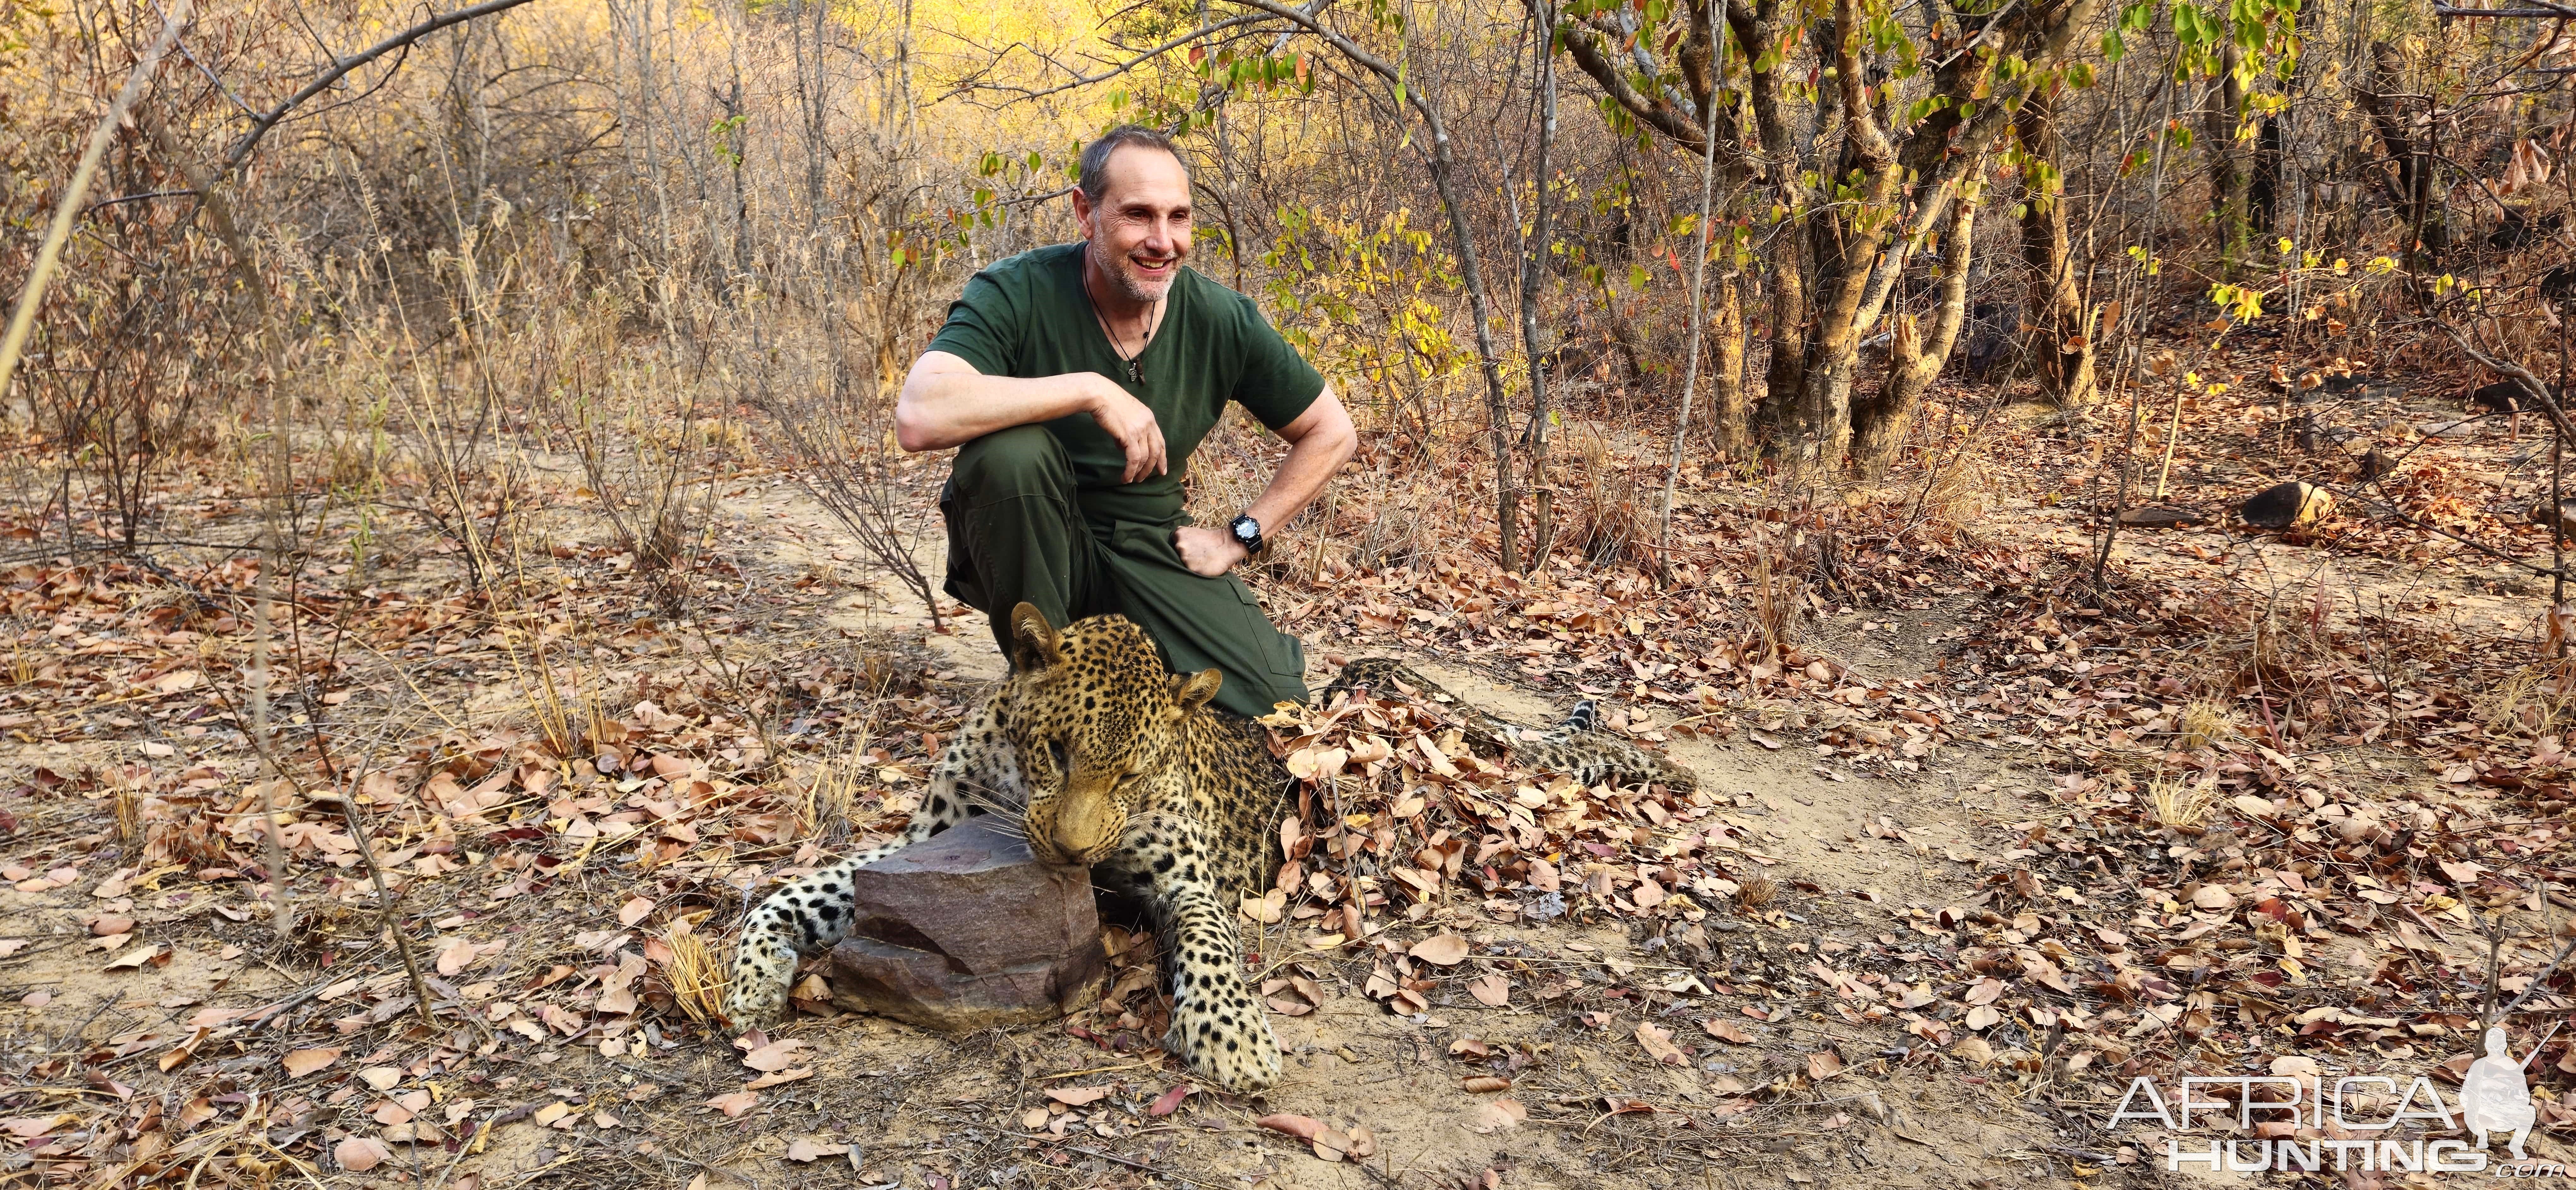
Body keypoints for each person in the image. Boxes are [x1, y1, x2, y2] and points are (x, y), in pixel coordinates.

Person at [895, 125, 1357, 719]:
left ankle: (1112, 662)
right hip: (1031, 538)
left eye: (1179, 217)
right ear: (1086, 214)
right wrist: (1089, 390)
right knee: (1009, 455)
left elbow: (1332, 430)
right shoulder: (1016, 291)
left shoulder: (1221, 318)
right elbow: (920, 414)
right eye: (1139, 215)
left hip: (1148, 544)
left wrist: (1239, 536)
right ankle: (1045, 703)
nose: (1162, 241)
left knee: (1273, 704)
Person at [2460, 1025, 2535, 1160]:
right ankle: (2480, 1139)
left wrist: (2510, 1094)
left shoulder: (2513, 1066)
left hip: (2505, 1110)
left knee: (2530, 1112)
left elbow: (2525, 1097)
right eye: (2492, 1044)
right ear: (2487, 1045)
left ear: (2505, 1045)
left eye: (2499, 1044)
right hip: (2482, 1108)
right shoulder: (2479, 1065)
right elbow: (2465, 1093)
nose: (2496, 1048)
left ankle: (2516, 1146)